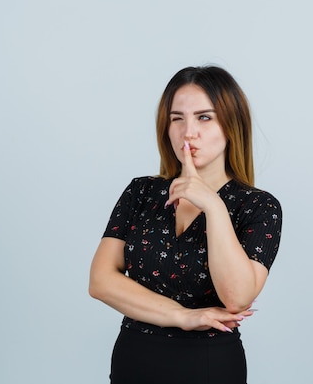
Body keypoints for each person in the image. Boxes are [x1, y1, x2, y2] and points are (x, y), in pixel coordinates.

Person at [88, 65, 282, 384]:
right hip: (134, 360)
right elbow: (100, 281)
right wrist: (184, 316)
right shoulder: (142, 192)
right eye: (177, 118)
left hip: (209, 366)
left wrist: (214, 206)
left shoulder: (259, 207)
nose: (187, 131)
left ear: (231, 125)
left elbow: (236, 298)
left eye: (204, 117)